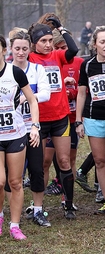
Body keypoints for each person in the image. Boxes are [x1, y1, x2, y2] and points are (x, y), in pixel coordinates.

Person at [27, 18, 79, 219]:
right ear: (35, 43)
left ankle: (68, 204)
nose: (48, 45)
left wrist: (61, 28)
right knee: (40, 163)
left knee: (64, 160)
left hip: (60, 116)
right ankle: (36, 205)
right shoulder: (30, 58)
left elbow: (73, 50)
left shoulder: (57, 55)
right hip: (38, 118)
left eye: (50, 40)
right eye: (43, 41)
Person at [7, 29, 51, 227]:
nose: (21, 52)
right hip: (10, 130)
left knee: (36, 169)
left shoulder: (37, 69)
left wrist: (29, 97)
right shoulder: (6, 71)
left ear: (30, 48)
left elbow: (46, 94)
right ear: (10, 49)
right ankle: (11, 212)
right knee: (12, 175)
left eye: (25, 48)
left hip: (32, 128)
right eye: (17, 48)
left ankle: (38, 210)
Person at [0, 34, 40, 239]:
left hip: (15, 133)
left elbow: (32, 101)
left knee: (15, 182)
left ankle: (14, 225)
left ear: (3, 50)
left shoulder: (14, 72)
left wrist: (34, 126)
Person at [76, 26, 105, 216]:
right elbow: (82, 93)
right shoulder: (87, 65)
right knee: (100, 161)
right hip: (94, 118)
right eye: (102, 42)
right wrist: (78, 120)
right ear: (94, 44)